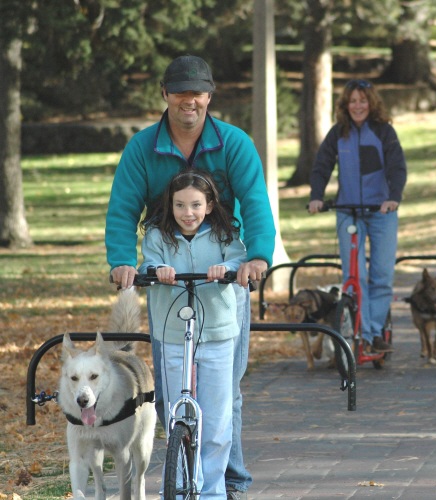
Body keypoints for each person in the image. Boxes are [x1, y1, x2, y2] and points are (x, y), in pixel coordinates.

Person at [106, 54, 275, 498]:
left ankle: (229, 484)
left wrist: (255, 258)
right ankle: (181, 479)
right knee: (170, 395)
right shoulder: (143, 147)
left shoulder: (233, 143)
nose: (189, 101)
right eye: (180, 92)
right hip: (168, 279)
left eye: (197, 92)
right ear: (165, 94)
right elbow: (123, 208)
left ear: (209, 96)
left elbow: (255, 202)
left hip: (222, 277)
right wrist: (124, 261)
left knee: (224, 394)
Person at [139, 170, 246, 499]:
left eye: (196, 205)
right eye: (180, 205)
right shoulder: (158, 235)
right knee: (175, 413)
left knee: (215, 419)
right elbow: (147, 264)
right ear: (170, 206)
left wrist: (226, 270)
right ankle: (179, 484)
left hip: (216, 331)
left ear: (210, 205)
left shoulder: (224, 234)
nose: (188, 213)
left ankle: (212, 492)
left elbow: (240, 259)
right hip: (173, 330)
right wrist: (157, 271)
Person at [308, 79, 407, 353]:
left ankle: (375, 333)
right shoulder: (339, 133)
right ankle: (360, 334)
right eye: (352, 101)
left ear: (371, 103)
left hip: (381, 212)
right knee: (354, 275)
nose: (358, 106)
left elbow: (397, 168)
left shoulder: (384, 132)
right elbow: (322, 166)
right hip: (348, 212)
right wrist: (316, 196)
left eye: (363, 100)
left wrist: (393, 198)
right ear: (345, 105)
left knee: (381, 274)